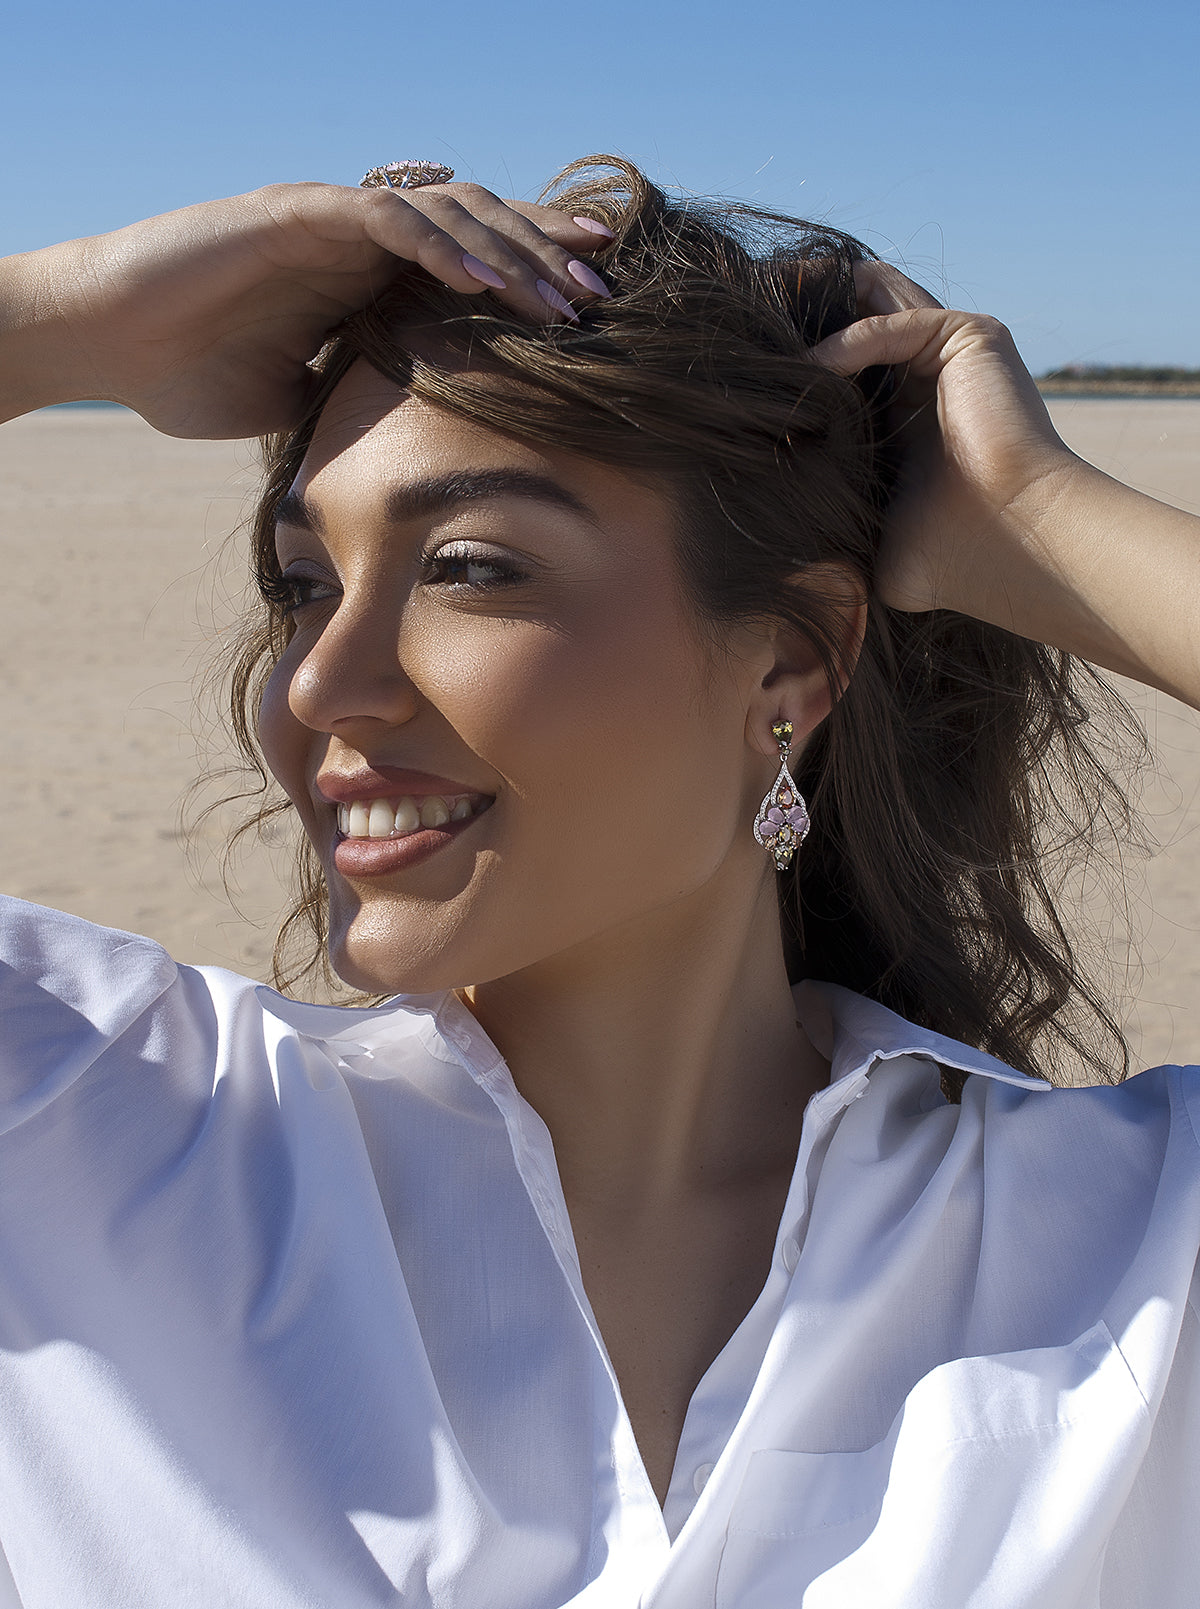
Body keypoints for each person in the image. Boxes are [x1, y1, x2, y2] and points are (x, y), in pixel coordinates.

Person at [1, 154, 1197, 1608]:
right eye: (304, 581)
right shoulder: (89, 1128)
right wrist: (59, 320)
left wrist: (1041, 510)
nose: (320, 680)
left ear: (792, 662)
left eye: (468, 567)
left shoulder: (1131, 1248)